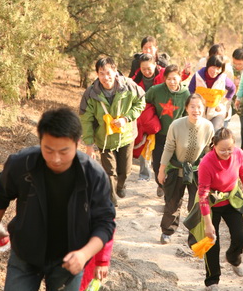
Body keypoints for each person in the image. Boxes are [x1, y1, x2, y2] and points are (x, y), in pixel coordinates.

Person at [0, 108, 115, 291]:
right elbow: (0, 195)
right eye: (48, 150)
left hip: (69, 259)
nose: (55, 158)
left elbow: (105, 223)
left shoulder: (93, 174)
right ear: (40, 142)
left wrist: (84, 254)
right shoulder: (22, 164)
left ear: (77, 143)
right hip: (26, 252)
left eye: (64, 151)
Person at [195, 128, 243, 291]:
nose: (227, 153)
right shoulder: (206, 163)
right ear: (214, 146)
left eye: (230, 149)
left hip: (231, 199)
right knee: (212, 242)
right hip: (211, 204)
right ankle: (212, 281)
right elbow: (203, 195)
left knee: (241, 235)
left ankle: (233, 257)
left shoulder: (238, 154)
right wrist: (208, 224)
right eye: (222, 150)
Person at [79, 56, 145, 204]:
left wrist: (126, 118)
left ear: (115, 71)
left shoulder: (129, 86)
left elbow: (140, 102)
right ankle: (111, 202)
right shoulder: (91, 93)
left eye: (108, 73)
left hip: (126, 136)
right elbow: (86, 119)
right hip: (104, 140)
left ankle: (121, 185)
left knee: (125, 171)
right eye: (101, 73)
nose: (105, 77)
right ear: (97, 74)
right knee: (109, 173)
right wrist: (89, 145)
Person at [157, 94, 214, 244]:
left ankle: (194, 238)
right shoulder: (176, 125)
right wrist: (162, 170)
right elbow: (168, 148)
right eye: (192, 107)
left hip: (197, 171)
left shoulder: (208, 126)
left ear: (204, 108)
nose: (196, 110)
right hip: (176, 169)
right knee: (173, 202)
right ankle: (167, 231)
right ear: (186, 108)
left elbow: (209, 151)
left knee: (196, 205)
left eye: (199, 107)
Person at [145, 64, 191, 196]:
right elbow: (144, 103)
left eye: (174, 79)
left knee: (173, 165)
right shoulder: (156, 90)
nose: (172, 82)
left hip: (176, 136)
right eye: (169, 79)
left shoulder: (185, 94)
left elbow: (187, 114)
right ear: (164, 79)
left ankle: (169, 191)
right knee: (157, 164)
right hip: (159, 134)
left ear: (180, 78)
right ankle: (160, 184)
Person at [131, 54, 165, 181]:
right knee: (144, 141)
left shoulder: (162, 75)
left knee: (160, 146)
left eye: (149, 68)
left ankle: (161, 176)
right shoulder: (136, 79)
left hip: (163, 112)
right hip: (146, 115)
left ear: (155, 65)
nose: (146, 71)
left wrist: (186, 73)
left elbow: (175, 78)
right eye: (143, 69)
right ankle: (144, 174)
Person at [188, 55, 236, 131]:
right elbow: (190, 90)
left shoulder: (223, 79)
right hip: (200, 111)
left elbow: (232, 89)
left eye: (218, 68)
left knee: (214, 130)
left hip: (216, 112)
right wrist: (194, 105)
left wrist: (224, 102)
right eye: (213, 67)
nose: (215, 71)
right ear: (208, 65)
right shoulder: (198, 76)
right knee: (200, 132)